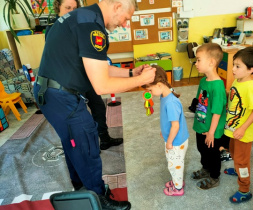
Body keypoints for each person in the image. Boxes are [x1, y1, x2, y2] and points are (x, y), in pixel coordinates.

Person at [33, 0, 156, 209]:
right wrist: (141, 81)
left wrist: (130, 73)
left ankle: (81, 191)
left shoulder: (83, 17)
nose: (126, 24)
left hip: (51, 91)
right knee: (86, 141)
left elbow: (99, 68)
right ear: (117, 6)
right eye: (127, 18)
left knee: (73, 141)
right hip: (60, 96)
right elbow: (101, 85)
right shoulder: (92, 27)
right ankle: (98, 200)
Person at [45, 0, 124, 150]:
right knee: (80, 117)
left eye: (75, 8)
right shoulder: (54, 30)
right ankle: (90, 146)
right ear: (58, 8)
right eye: (68, 8)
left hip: (88, 76)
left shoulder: (83, 26)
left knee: (98, 106)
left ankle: (104, 138)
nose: (72, 11)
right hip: (69, 83)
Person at [223, 47, 253, 203]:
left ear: (251, 70)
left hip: (243, 132)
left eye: (237, 66)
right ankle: (237, 170)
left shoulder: (250, 89)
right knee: (233, 151)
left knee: (242, 160)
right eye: (234, 64)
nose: (233, 69)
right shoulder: (238, 80)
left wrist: (243, 128)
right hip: (233, 129)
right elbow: (233, 95)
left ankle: (244, 188)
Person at [142, 65, 189, 196]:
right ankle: (176, 181)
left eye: (150, 90)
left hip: (176, 141)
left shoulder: (171, 103)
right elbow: (168, 120)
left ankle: (178, 188)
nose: (149, 93)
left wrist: (169, 142)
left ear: (159, 85)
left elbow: (175, 126)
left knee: (174, 165)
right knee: (174, 163)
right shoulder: (165, 96)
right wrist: (164, 131)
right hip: (173, 138)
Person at [189, 43, 227, 190]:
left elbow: (217, 112)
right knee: (202, 149)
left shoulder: (218, 86)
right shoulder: (203, 81)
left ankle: (214, 176)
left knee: (212, 153)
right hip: (201, 125)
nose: (196, 63)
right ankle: (206, 168)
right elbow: (200, 102)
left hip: (212, 130)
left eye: (199, 60)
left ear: (211, 62)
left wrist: (211, 132)